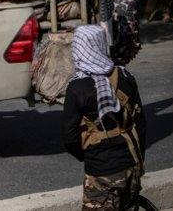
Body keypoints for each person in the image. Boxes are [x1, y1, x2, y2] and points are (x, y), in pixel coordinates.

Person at [62, 25, 146, 210]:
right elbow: (140, 123)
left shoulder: (77, 87)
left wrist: (90, 155)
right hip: (131, 165)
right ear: (102, 45)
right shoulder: (125, 76)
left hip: (101, 171)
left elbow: (69, 137)